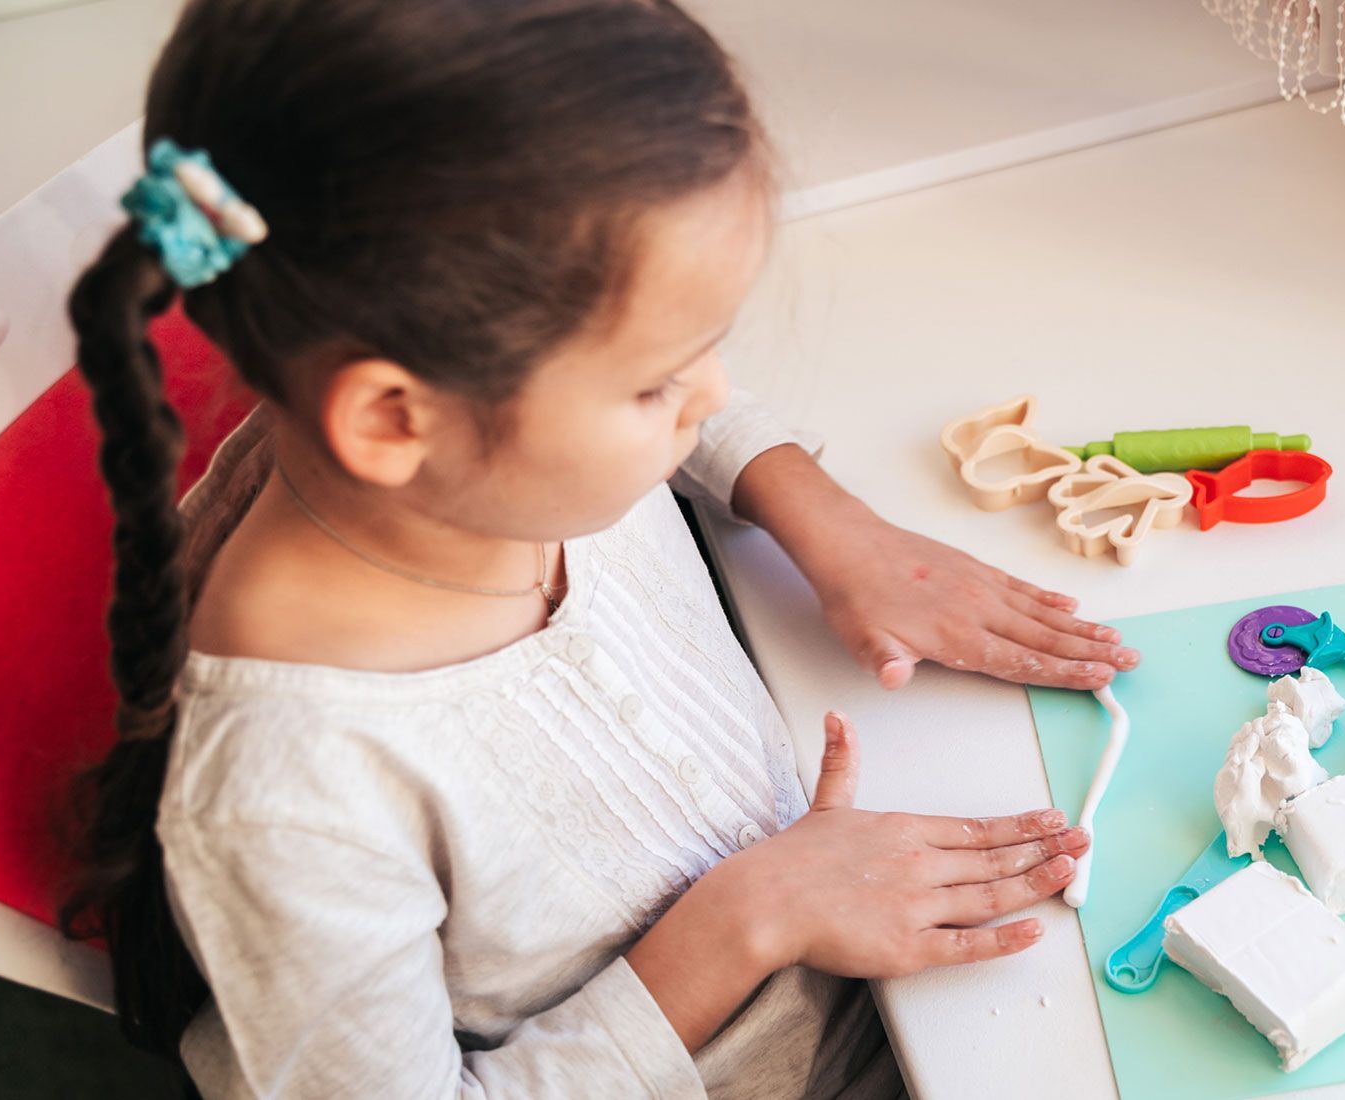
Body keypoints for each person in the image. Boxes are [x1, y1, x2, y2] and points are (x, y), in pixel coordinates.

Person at [57, 2, 1141, 1095]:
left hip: (890, 959)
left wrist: (813, 508)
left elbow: (632, 345)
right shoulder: (293, 793)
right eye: (661, 384)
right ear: (392, 419)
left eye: (704, 348)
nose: (711, 395)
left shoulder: (466, 447)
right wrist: (752, 915)